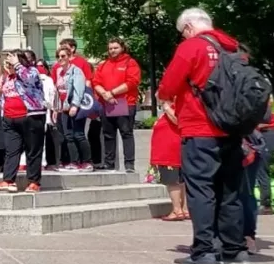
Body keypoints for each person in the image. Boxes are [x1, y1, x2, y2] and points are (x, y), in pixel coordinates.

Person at [158, 7, 250, 264]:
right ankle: (235, 251)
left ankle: (204, 252)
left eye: (181, 33)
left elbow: (169, 84)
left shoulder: (192, 47)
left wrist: (164, 97)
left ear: (188, 28)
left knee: (201, 190)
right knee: (230, 191)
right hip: (231, 129)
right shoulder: (231, 47)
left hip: (200, 128)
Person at [0, 51, 46, 194]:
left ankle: (34, 182)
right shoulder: (8, 78)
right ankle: (9, 180)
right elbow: (7, 96)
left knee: (33, 150)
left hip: (31, 116)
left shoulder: (31, 71)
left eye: (11, 63)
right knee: (11, 150)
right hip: (10, 118)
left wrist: (17, 64)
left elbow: (27, 79)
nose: (8, 66)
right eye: (8, 64)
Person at [92, 37, 142, 172]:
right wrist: (104, 94)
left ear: (122, 48)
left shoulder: (130, 63)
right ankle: (109, 163)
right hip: (107, 103)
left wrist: (112, 93)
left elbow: (132, 82)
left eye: (115, 48)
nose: (112, 50)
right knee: (108, 134)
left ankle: (129, 164)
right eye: (110, 48)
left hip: (125, 102)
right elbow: (95, 82)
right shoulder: (103, 65)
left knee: (126, 133)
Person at [55, 48, 92, 172]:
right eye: (58, 56)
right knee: (68, 136)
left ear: (69, 57)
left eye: (63, 56)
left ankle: (87, 161)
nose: (60, 59)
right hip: (63, 107)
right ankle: (74, 162)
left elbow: (79, 89)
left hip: (74, 106)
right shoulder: (59, 71)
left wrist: (75, 105)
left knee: (79, 134)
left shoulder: (76, 71)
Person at [152, 100, 188, 222]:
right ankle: (183, 209)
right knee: (180, 181)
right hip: (170, 149)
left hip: (170, 151)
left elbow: (178, 120)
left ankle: (177, 210)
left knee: (172, 181)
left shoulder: (173, 106)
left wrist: (166, 106)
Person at [256, 97, 274, 215]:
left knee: (262, 170)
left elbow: (262, 122)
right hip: (267, 136)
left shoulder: (265, 109)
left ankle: (266, 204)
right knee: (259, 170)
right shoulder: (264, 107)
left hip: (268, 136)